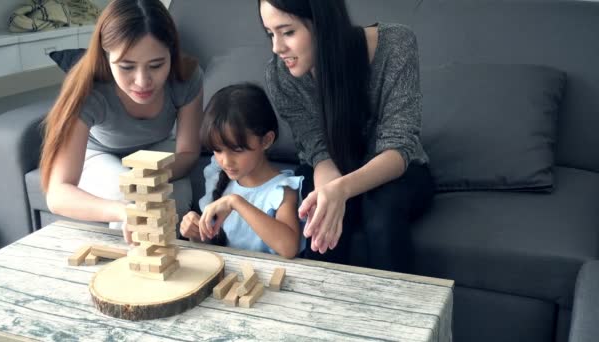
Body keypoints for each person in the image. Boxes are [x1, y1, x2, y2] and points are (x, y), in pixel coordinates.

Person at [259, 0, 434, 272]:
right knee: (320, 218)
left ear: (323, 24)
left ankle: (396, 312)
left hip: (397, 170)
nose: (277, 47)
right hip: (330, 168)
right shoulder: (280, 75)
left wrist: (342, 190)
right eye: (271, 33)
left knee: (381, 214)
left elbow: (398, 147)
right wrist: (330, 193)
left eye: (288, 32)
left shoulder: (396, 44)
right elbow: (318, 151)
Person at [40, 0, 203, 244]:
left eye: (156, 65)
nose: (142, 81)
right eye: (127, 67)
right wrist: (122, 210)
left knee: (173, 198)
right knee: (132, 201)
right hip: (98, 155)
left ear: (171, 53)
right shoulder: (87, 88)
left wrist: (150, 179)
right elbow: (58, 194)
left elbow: (188, 152)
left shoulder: (187, 76)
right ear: (106, 58)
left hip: (156, 150)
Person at [179, 83, 305, 259]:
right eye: (218, 150)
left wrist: (235, 202)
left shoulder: (282, 190)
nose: (225, 160)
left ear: (266, 140)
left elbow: (289, 248)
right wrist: (194, 232)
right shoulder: (217, 176)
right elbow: (212, 246)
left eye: (237, 150)